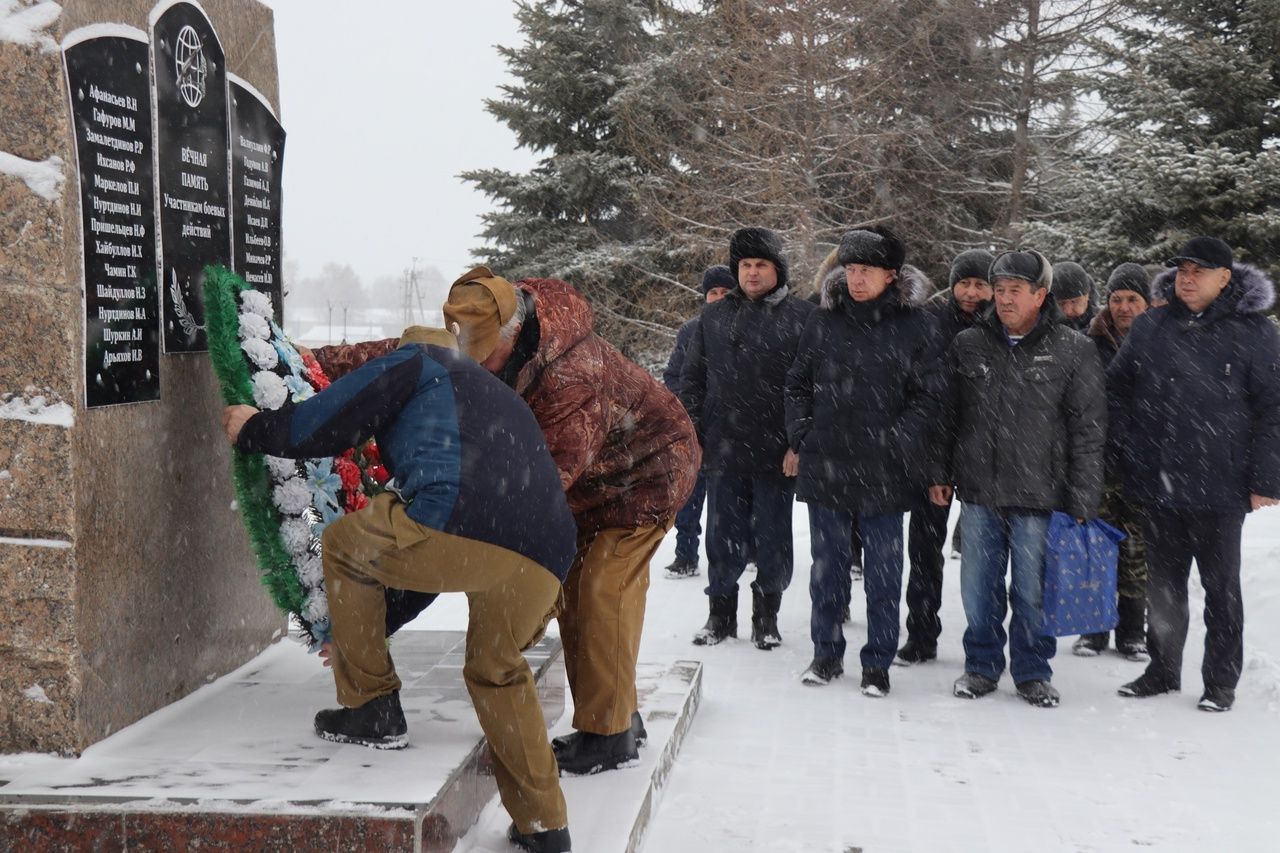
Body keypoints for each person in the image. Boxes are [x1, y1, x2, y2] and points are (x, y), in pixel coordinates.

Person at [220, 327, 576, 853]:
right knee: (497, 672)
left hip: (456, 514)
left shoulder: (415, 362)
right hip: (546, 549)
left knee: (344, 544)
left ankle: (372, 708)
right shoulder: (491, 392)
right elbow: (429, 568)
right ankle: (545, 828)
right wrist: (368, 627)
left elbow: (327, 423)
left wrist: (256, 428)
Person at [442, 266, 700, 774]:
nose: (477, 365)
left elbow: (546, 481)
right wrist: (316, 364)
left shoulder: (571, 375)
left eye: (484, 351)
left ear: (512, 334)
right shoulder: (509, 333)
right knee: (576, 595)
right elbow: (408, 354)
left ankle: (610, 737)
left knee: (605, 588)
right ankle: (615, 713)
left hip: (647, 472)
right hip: (591, 484)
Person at [1109, 237, 1280, 712]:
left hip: (1221, 485)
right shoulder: (1151, 325)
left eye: (1198, 271)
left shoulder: (1256, 332)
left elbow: (1273, 408)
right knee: (1163, 586)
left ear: (1225, 277)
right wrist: (1130, 448)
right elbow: (1118, 390)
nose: (1187, 278)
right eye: (1182, 270)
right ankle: (1162, 670)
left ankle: (1220, 681)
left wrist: (1266, 479)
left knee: (1221, 589)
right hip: (1158, 479)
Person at [931, 249, 1106, 708]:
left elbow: (1088, 429)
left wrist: (1083, 498)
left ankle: (1032, 670)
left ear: (1040, 294)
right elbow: (947, 416)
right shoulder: (970, 344)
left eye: (1015, 291)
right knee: (977, 589)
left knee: (1031, 592)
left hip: (1039, 494)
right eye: (1000, 290)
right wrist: (939, 472)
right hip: (979, 492)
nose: (1004, 300)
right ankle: (982, 666)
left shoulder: (1073, 350)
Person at [786, 227, 938, 696]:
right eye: (850, 270)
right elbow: (796, 384)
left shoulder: (916, 326)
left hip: (885, 471)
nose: (855, 279)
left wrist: (895, 441)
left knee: (884, 573)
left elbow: (928, 398)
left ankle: (878, 663)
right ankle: (826, 654)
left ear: (890, 276)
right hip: (827, 463)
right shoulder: (822, 320)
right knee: (827, 569)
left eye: (866, 271)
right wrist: (804, 435)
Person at [680, 227, 815, 650]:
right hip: (723, 447)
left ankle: (766, 617)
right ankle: (719, 616)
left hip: (777, 452)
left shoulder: (802, 318)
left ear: (778, 270)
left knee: (773, 538)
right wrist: (695, 435)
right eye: (745, 265)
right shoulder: (713, 318)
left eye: (761, 265)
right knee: (722, 536)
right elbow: (692, 381)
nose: (752, 273)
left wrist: (799, 443)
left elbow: (813, 386)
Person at [896, 248, 994, 666]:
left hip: (986, 453)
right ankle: (921, 631)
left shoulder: (1000, 328)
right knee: (924, 549)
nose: (971, 292)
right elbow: (923, 393)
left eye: (980, 284)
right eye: (964, 283)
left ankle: (986, 641)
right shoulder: (930, 324)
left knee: (985, 555)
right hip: (933, 451)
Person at [1073, 262, 1153, 660]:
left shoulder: (1159, 342)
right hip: (1099, 463)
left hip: (1143, 466)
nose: (1124, 307)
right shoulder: (1091, 342)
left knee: (1137, 551)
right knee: (1096, 547)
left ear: (1147, 303)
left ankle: (1132, 631)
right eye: (1117, 299)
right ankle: (1093, 628)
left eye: (1132, 299)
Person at [661, 264, 736, 579]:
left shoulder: (746, 326)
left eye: (725, 292)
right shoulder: (690, 331)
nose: (718, 297)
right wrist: (685, 411)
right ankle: (685, 555)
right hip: (692, 426)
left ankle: (737, 555)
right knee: (688, 498)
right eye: (713, 292)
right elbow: (674, 375)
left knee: (729, 503)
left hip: (731, 429)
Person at [1052, 261, 1098, 332]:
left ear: (1087, 296)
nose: (1068, 311)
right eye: (1060, 303)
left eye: (1074, 301)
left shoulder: (1106, 327)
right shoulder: (1037, 329)